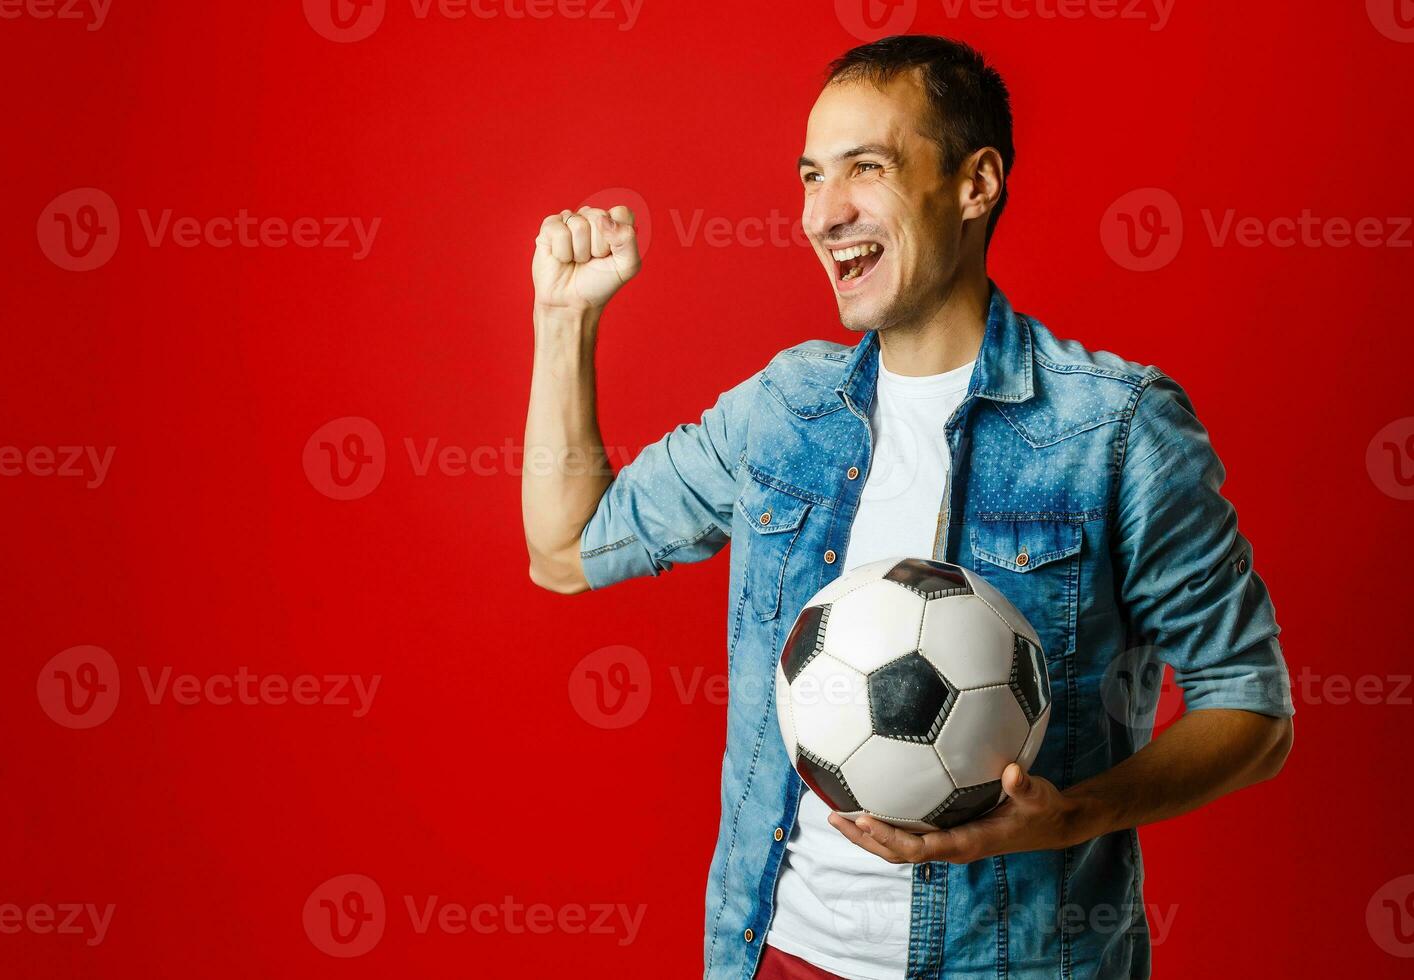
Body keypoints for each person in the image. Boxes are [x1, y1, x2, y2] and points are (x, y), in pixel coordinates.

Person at [521, 34, 1294, 980]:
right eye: (811, 176)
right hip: (779, 953)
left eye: (867, 169)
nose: (823, 212)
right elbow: (563, 549)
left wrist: (1076, 815)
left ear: (976, 184)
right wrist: (565, 321)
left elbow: (1252, 707)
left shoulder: (1116, 429)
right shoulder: (784, 409)